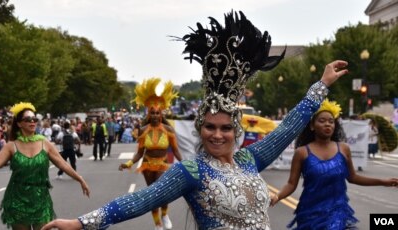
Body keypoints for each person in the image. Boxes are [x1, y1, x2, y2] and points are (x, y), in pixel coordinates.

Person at [41, 11, 348, 230]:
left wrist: (321, 85)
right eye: (210, 127)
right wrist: (81, 222)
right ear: (200, 128)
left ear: (236, 130)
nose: (217, 134)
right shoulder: (191, 171)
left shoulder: (249, 159)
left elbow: (289, 128)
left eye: (226, 127)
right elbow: (140, 201)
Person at [270, 99, 398, 229]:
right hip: (309, 212)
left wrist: (383, 182)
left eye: (331, 121)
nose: (328, 124)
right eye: (322, 121)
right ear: (312, 126)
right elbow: (291, 184)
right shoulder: (302, 153)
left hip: (336, 211)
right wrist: (277, 196)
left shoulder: (343, 149)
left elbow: (353, 177)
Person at [0, 102, 90, 230]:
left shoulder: (44, 143)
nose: (32, 122)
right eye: (28, 119)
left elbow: (63, 164)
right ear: (19, 123)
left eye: (35, 119)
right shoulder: (11, 145)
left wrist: (80, 179)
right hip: (17, 198)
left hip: (40, 197)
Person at [118, 77, 183, 230]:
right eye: (152, 113)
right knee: (153, 194)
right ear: (149, 114)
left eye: (157, 113)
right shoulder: (142, 130)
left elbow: (175, 150)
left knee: (162, 191)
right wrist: (128, 164)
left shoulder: (169, 130)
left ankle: (165, 214)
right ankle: (157, 224)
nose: (154, 115)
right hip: (147, 166)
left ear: (161, 114)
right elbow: (140, 153)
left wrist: (184, 162)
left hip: (163, 164)